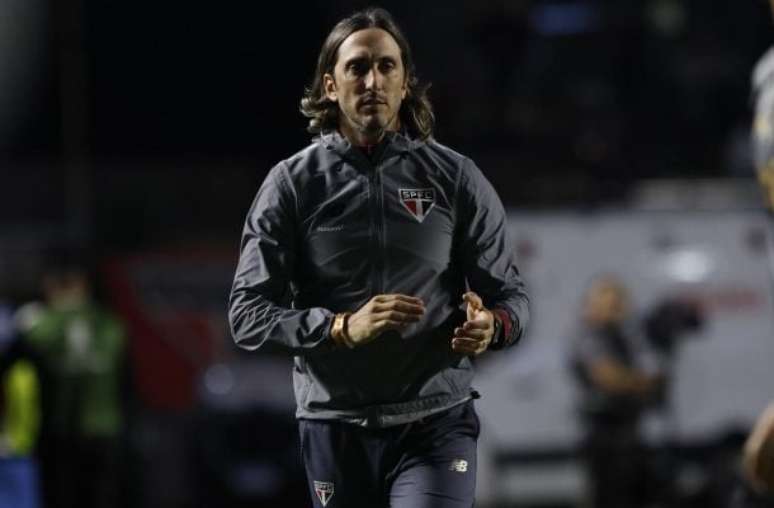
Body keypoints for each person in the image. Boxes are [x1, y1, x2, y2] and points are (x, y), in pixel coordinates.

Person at [228, 7, 529, 507]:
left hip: (435, 423)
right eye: (358, 67)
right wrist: (340, 327)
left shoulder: (456, 178)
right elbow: (246, 316)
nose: (373, 81)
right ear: (330, 86)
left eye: (387, 66)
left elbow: (513, 299)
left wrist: (492, 326)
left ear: (405, 83)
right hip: (335, 427)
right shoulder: (291, 186)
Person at [20, 255, 126, 508]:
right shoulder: (109, 322)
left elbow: (25, 349)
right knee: (100, 495)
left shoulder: (43, 321)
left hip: (62, 425)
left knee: (62, 494)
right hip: (104, 424)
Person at [569, 275, 662, 508]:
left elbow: (654, 373)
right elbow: (607, 377)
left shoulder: (627, 335)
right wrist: (637, 381)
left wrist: (633, 380)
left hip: (630, 429)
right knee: (609, 494)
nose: (616, 310)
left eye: (618, 304)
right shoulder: (587, 335)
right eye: (611, 304)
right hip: (603, 433)